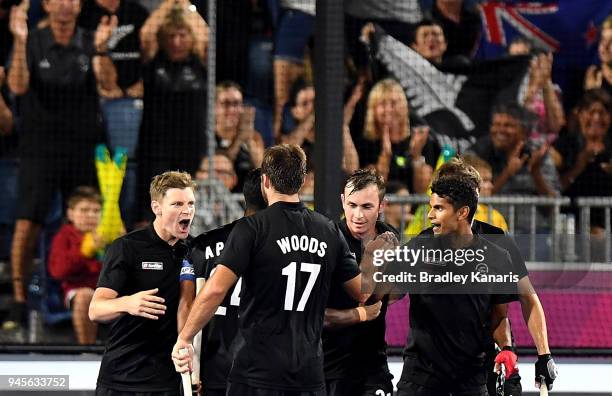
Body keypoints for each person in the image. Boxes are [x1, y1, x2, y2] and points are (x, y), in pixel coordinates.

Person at [172, 144, 397, 396]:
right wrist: (373, 258)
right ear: (302, 181)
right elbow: (363, 292)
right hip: (308, 375)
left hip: (256, 373)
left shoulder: (252, 228)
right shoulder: (328, 230)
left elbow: (214, 291)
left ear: (265, 181)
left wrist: (185, 337)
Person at [3, 0, 118, 330]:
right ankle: (19, 299)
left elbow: (109, 86)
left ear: (79, 6)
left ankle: (91, 294)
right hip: (40, 147)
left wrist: (101, 50)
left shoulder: (88, 39)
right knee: (28, 223)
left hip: (83, 146)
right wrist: (20, 39)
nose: (66, 5)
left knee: (92, 220)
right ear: (48, 5)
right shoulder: (31, 39)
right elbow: (16, 86)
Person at [429, 158, 557, 395]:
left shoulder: (497, 239)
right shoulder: (427, 243)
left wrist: (544, 354)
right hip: (442, 364)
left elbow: (528, 297)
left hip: (496, 353)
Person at [395, 159, 521, 396]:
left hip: (471, 379)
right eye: (431, 207)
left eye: (439, 208)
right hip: (421, 378)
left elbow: (499, 317)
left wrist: (507, 348)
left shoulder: (497, 254)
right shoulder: (418, 248)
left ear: (463, 212)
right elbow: (387, 294)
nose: (430, 215)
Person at [89, 171, 196, 395]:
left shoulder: (196, 251)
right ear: (156, 207)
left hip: (169, 381)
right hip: (121, 379)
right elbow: (96, 310)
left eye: (191, 203)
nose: (187, 211)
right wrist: (127, 303)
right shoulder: (127, 247)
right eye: (177, 204)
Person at [189, 168, 267, 396]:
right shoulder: (284, 247)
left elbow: (187, 304)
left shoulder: (203, 244)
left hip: (212, 367)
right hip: (264, 370)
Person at [323, 168, 399, 396]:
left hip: (373, 365)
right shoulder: (329, 241)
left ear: (381, 206)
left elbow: (393, 295)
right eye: (352, 205)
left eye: (366, 207)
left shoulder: (388, 235)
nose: (357, 215)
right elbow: (322, 316)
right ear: (342, 201)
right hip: (331, 366)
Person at [134, 0, 208, 223]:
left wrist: (185, 4)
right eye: (171, 36)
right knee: (150, 208)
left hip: (190, 146)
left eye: (182, 35)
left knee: (185, 208)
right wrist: (168, 4)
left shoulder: (200, 63)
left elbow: (205, 36)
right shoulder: (154, 61)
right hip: (155, 146)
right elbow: (146, 34)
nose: (177, 41)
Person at [467, 103, 560, 233]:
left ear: (523, 132)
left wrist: (535, 173)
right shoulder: (480, 151)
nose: (500, 130)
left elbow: (554, 200)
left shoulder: (538, 153)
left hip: (534, 231)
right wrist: (507, 173)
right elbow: (470, 195)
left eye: (508, 125)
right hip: (491, 229)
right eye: (496, 125)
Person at [358, 78, 439, 191]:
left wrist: (416, 156)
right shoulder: (367, 143)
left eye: (393, 103)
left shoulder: (421, 140)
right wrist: (385, 156)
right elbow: (373, 188)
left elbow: (421, 189)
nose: (388, 109)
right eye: (382, 104)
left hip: (412, 206)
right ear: (373, 110)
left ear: (404, 106)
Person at [48, 187, 105, 345]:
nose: (91, 215)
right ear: (70, 213)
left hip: (108, 291)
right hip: (75, 291)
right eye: (84, 210)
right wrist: (84, 253)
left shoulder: (107, 234)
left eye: (96, 211)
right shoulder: (63, 236)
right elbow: (58, 271)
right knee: (85, 296)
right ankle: (88, 350)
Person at [551, 88, 612, 234]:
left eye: (602, 113)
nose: (596, 118)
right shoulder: (563, 145)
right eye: (591, 112)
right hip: (572, 227)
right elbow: (552, 190)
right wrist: (579, 166)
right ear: (580, 114)